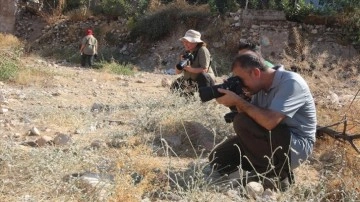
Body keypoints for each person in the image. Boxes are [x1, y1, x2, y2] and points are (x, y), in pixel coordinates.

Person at [208, 53, 317, 191]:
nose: (240, 84)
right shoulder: (258, 88)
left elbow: (269, 122)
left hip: (296, 146)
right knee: (219, 158)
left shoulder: (291, 82)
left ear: (255, 72)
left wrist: (238, 100)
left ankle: (277, 175)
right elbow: (252, 119)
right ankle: (260, 171)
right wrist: (234, 101)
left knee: (241, 121)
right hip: (271, 139)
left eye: (241, 79)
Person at [170, 29, 215, 96]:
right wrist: (181, 64)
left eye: (188, 42)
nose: (185, 44)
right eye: (184, 41)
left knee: (203, 77)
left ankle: (205, 98)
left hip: (204, 80)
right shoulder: (185, 51)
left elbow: (204, 70)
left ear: (196, 42)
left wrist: (189, 69)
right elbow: (177, 72)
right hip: (191, 80)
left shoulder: (202, 50)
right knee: (175, 85)